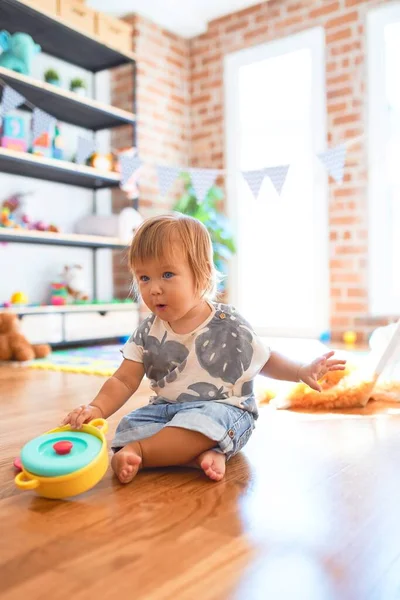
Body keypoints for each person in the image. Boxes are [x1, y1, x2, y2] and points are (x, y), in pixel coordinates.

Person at [62, 214, 346, 483]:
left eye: (167, 274)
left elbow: (265, 358)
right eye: (144, 278)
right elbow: (123, 380)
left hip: (226, 410)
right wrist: (97, 407)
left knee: (205, 421)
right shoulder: (147, 331)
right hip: (168, 410)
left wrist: (300, 371)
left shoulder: (227, 323)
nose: (154, 289)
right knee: (126, 427)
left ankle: (145, 452)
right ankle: (196, 455)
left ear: (202, 275)